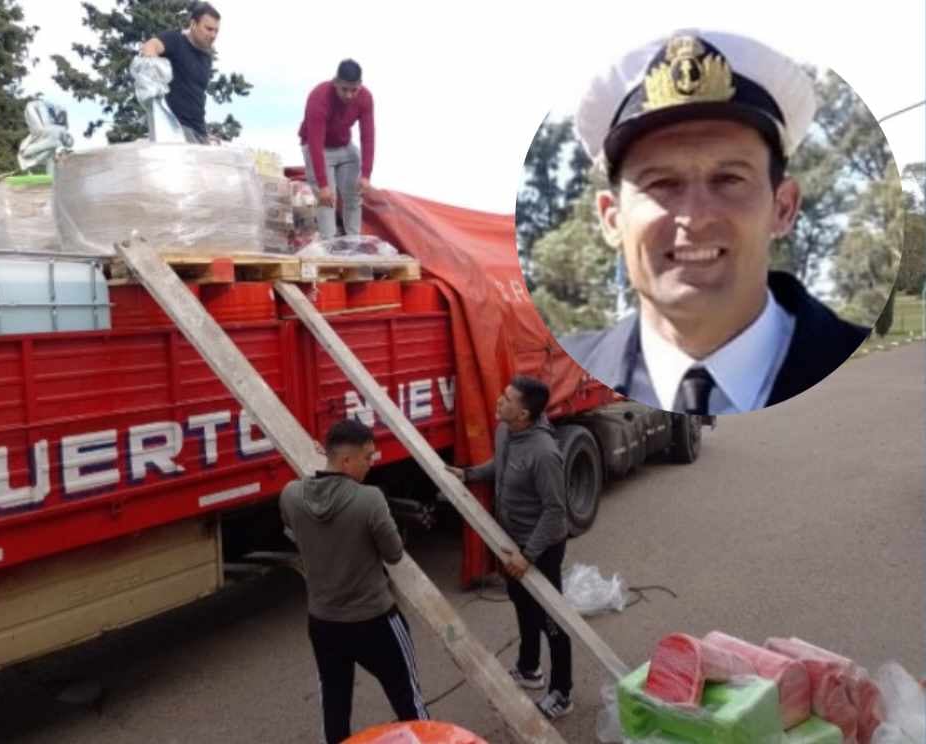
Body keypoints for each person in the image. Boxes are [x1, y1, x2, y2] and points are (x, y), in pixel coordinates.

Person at [557, 30, 870, 416]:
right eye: (662, 184)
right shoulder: (558, 380)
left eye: (729, 179)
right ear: (611, 219)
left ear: (783, 208)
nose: (696, 217)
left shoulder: (876, 376)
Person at [279, 419, 428, 744]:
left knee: (335, 704)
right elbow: (394, 554)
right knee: (408, 699)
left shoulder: (291, 495)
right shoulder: (370, 499)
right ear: (346, 461)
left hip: (323, 622)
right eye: (367, 457)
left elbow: (295, 534)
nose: (372, 464)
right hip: (375, 620)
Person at [445, 376, 574, 720]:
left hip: (542, 546)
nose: (500, 401)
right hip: (511, 540)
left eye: (507, 399)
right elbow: (499, 466)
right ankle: (530, 667)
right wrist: (468, 475)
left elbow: (555, 511)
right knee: (522, 603)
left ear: (524, 413)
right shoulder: (506, 431)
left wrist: (527, 555)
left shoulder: (545, 453)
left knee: (552, 618)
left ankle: (562, 692)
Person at [298, 59, 375, 238]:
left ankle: (354, 243)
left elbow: (368, 137)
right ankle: (329, 248)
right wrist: (323, 185)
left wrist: (366, 175)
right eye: (344, 89)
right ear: (335, 83)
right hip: (318, 148)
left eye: (353, 90)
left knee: (354, 196)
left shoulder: (365, 98)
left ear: (360, 86)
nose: (349, 95)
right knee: (327, 200)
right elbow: (315, 142)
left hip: (344, 146)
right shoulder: (319, 97)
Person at [139, 2, 220, 144]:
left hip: (199, 132)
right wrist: (154, 71)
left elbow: (196, 99)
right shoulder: (176, 40)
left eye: (216, 31)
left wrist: (204, 133)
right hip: (176, 130)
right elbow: (150, 46)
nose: (213, 35)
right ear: (193, 24)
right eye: (208, 29)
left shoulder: (206, 57)